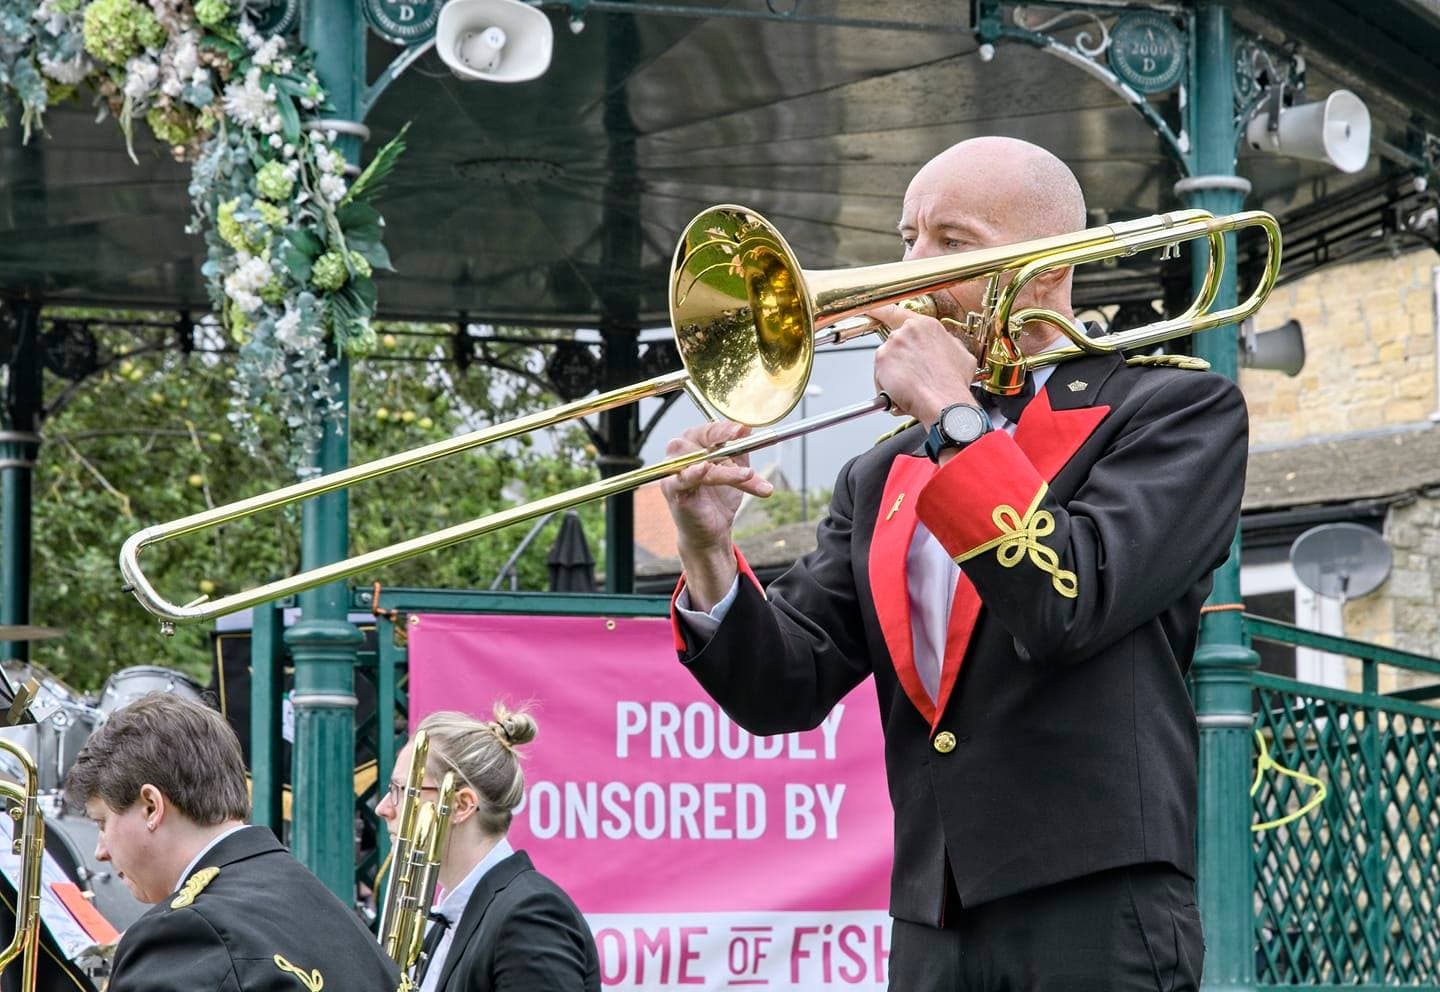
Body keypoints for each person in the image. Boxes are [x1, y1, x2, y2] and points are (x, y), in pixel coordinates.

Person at [661, 136, 1247, 991]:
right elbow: (782, 688)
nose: (908, 270)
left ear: (1046, 268)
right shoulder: (881, 471)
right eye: (907, 238)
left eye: (951, 241)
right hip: (933, 919)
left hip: (1096, 907)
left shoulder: (1175, 409)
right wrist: (708, 548)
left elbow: (1066, 603)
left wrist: (953, 414)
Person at [62, 692, 400, 992]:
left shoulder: (184, 933)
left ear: (152, 806)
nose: (100, 851)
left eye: (102, 822)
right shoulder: (315, 900)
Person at [375, 706, 599, 992]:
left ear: (461, 804)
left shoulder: (529, 913)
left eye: (400, 791)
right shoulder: (447, 921)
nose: (383, 808)